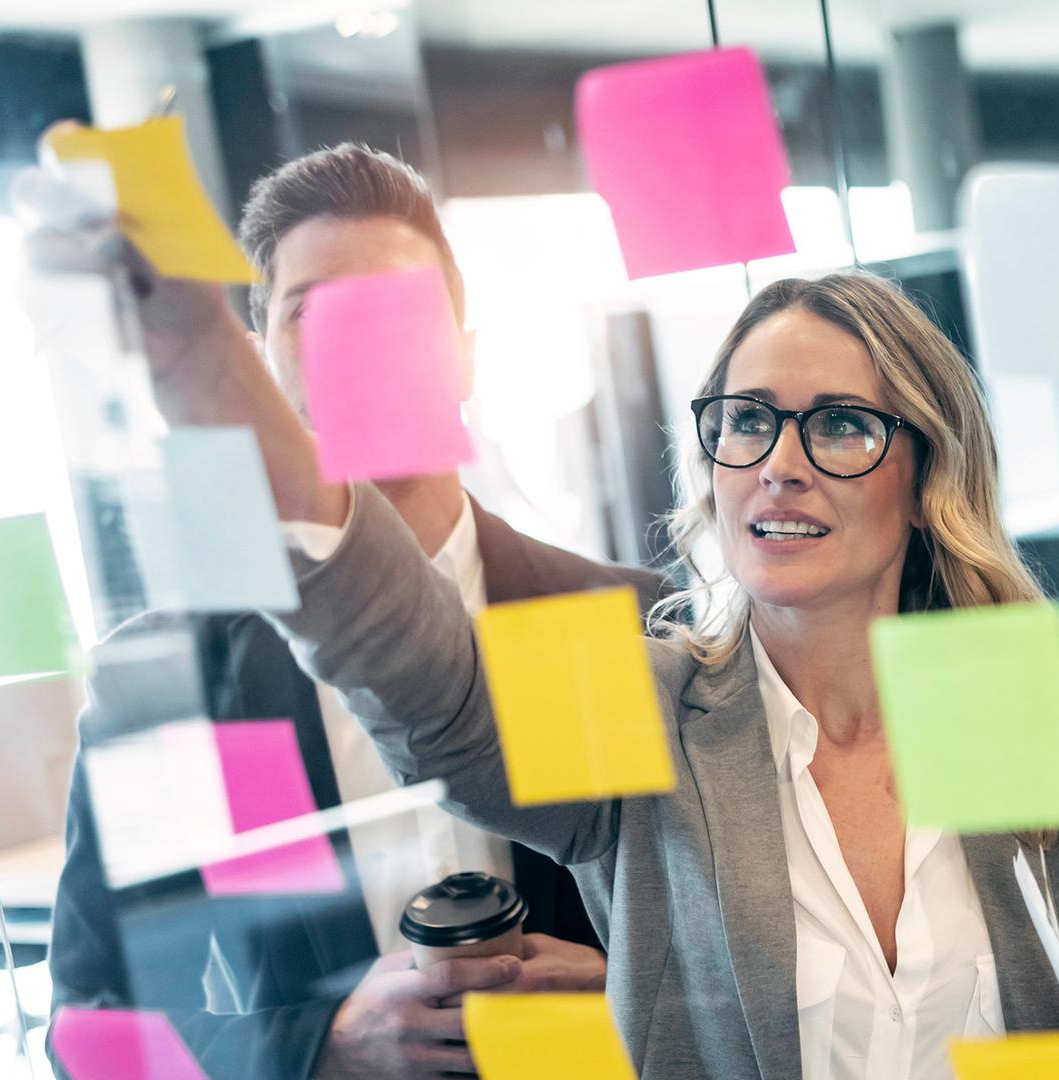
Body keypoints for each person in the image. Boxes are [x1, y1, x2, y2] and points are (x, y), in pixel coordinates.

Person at [25, 143, 1059, 1077]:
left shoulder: (966, 695)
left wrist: (623, 985)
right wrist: (313, 1044)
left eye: (843, 425)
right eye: (746, 421)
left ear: (924, 478)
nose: (780, 465)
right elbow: (418, 673)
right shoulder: (646, 694)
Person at [42, 144, 665, 1080]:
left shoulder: (626, 622)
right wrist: (315, 1049)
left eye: (397, 311)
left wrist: (632, 990)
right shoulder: (170, 687)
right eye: (314, 314)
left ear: (466, 354)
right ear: (261, 372)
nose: (361, 344)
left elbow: (755, 933)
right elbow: (88, 1032)